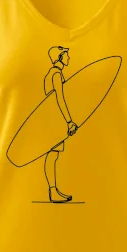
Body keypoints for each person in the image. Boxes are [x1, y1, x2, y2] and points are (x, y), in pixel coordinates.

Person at [44, 46, 78, 203]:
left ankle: (54, 190)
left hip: (52, 119)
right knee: (52, 155)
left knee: (53, 155)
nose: (68, 58)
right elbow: (60, 98)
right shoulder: (56, 74)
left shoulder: (51, 73)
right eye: (66, 55)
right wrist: (69, 121)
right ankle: (53, 191)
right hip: (55, 120)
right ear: (59, 57)